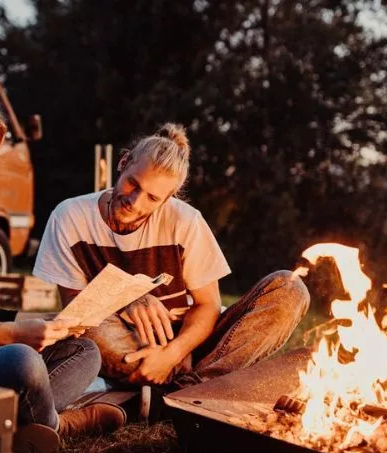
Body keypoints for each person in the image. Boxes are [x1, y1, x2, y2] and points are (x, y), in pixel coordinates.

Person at [33, 122, 309, 418]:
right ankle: (197, 395)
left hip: (192, 346)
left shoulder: (185, 221)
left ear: (168, 199)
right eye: (133, 184)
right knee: (85, 328)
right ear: (123, 163)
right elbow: (75, 312)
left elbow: (207, 306)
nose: (135, 202)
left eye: (152, 198)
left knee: (290, 288)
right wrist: (127, 296)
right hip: (122, 343)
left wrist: (174, 353)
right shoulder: (69, 217)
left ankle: (177, 392)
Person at [0, 93, 125, 453]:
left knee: (84, 350)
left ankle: (26, 422)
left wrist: (43, 321)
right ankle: (59, 425)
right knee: (22, 361)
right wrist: (8, 335)